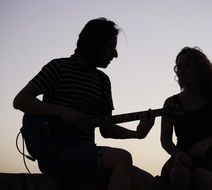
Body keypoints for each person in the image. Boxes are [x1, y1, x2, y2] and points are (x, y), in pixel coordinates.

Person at [13, 17, 155, 190]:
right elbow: (20, 100)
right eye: (111, 47)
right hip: (57, 155)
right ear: (95, 45)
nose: (115, 54)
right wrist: (61, 112)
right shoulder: (58, 68)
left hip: (88, 154)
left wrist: (137, 134)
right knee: (122, 158)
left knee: (148, 183)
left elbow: (106, 128)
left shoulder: (103, 82)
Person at [160, 47, 212, 190]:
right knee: (179, 174)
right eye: (179, 66)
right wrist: (177, 154)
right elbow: (165, 140)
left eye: (187, 65)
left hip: (211, 156)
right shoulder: (170, 103)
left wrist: (207, 142)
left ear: (200, 69)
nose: (182, 70)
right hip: (182, 154)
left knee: (202, 176)